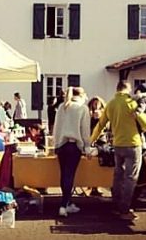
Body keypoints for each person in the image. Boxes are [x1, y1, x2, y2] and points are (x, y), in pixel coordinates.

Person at [91, 81, 146, 222]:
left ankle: (116, 204)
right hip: (133, 144)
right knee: (131, 177)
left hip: (117, 144)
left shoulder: (110, 104)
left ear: (117, 89)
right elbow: (145, 125)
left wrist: (91, 140)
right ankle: (124, 208)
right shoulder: (131, 103)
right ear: (128, 89)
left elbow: (100, 125)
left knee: (118, 175)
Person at [52, 86, 91, 218]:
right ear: (82, 95)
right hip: (74, 146)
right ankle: (64, 205)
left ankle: (67, 202)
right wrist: (87, 146)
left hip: (62, 145)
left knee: (64, 175)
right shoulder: (82, 108)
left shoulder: (63, 107)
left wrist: (55, 145)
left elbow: (56, 127)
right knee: (70, 175)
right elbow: (85, 131)